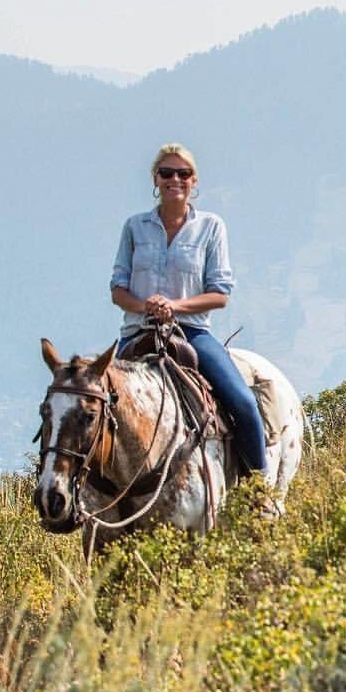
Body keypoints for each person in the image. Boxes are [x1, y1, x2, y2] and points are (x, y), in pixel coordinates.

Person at [110, 143, 269, 476]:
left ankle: (259, 488)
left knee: (243, 403)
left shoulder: (211, 227)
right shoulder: (134, 227)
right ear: (155, 179)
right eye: (167, 173)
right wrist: (146, 306)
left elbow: (219, 294)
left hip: (192, 332)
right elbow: (118, 290)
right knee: (98, 404)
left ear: (194, 180)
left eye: (183, 173)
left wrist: (174, 306)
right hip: (138, 331)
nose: (175, 180)